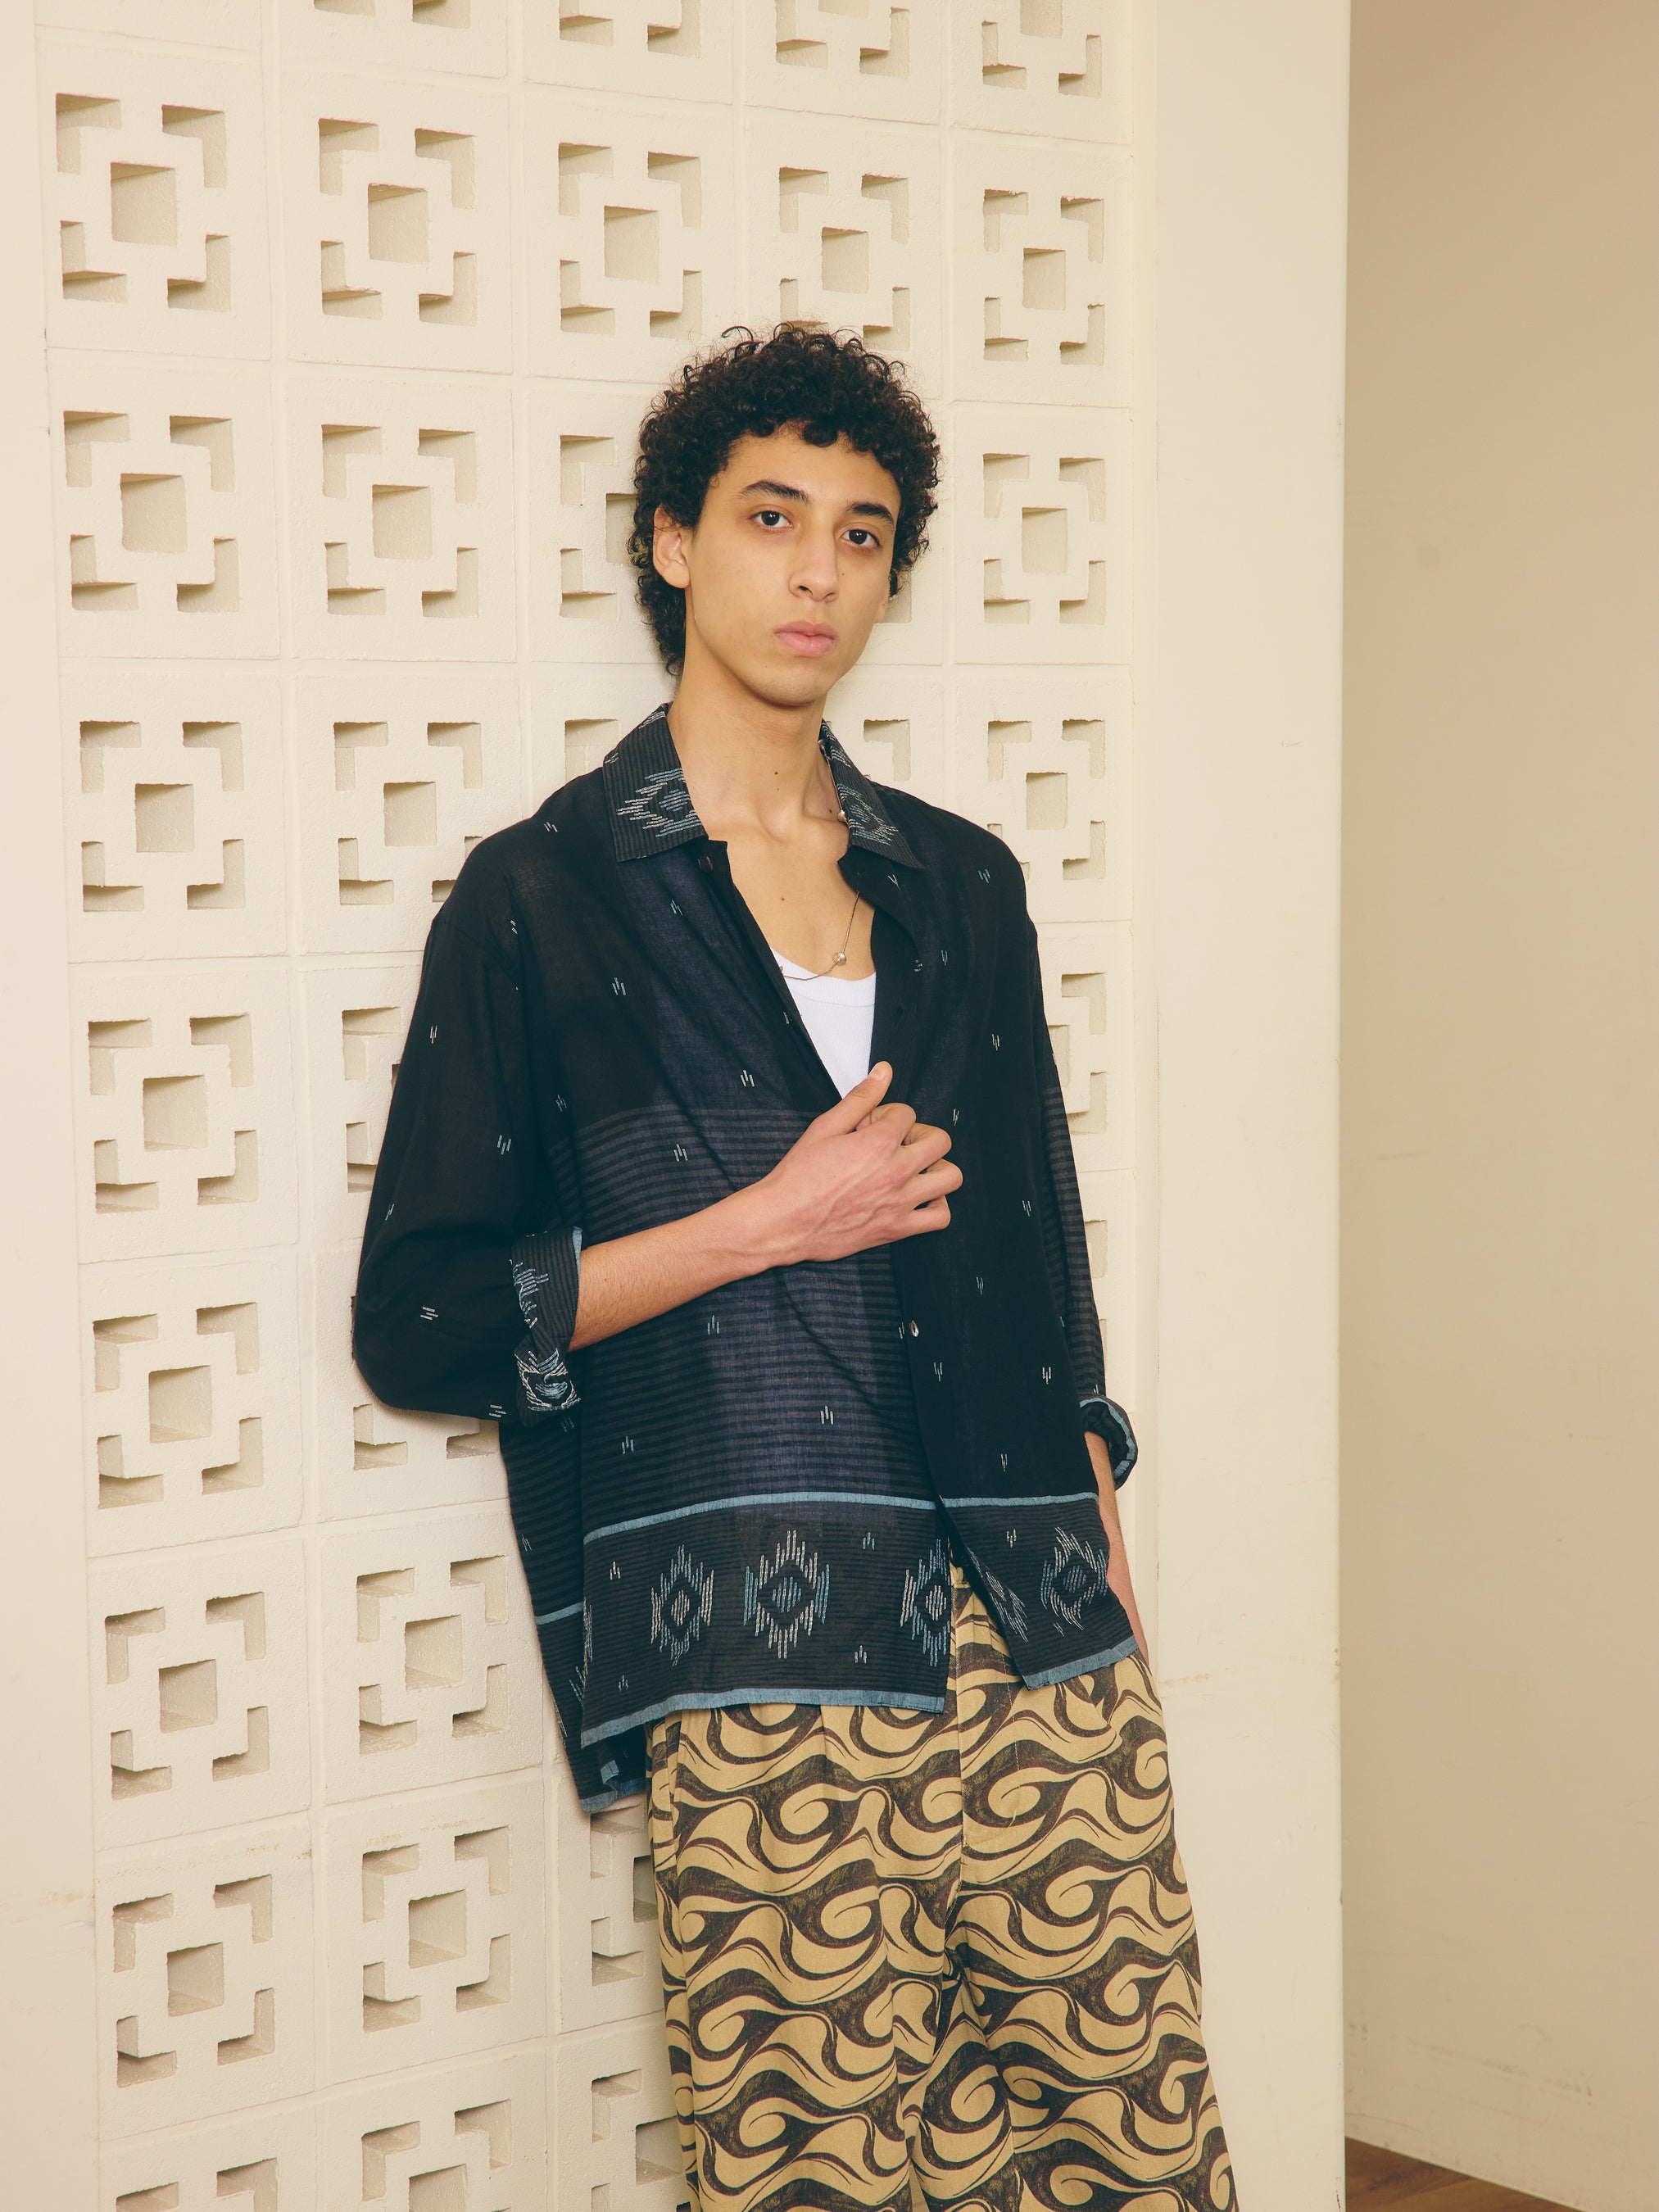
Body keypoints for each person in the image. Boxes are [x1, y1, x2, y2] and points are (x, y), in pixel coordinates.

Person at [355, 326, 1233, 2211]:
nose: (817, 568)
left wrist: (1110, 1614)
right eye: (770, 518)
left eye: (860, 530)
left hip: (1039, 1625)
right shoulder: (541, 896)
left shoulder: (962, 884)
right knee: (822, 2176)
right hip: (754, 1651)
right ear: (672, 541)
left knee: (1134, 2154)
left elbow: (1038, 1269)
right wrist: (765, 1222)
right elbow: (423, 1319)